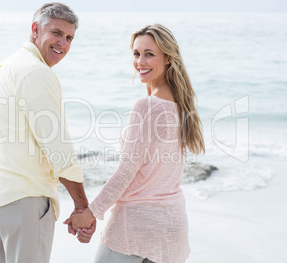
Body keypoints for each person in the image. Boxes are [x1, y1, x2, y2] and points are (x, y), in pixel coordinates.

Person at [64, 24, 205, 263]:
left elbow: (126, 172)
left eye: (149, 54)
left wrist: (91, 213)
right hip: (173, 229)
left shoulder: (148, 106)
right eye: (136, 53)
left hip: (136, 228)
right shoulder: (182, 107)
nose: (140, 61)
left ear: (168, 58)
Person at [0, 2, 95, 263]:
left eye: (69, 37)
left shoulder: (7, 67)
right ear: (35, 30)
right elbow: (58, 148)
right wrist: (82, 206)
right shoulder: (35, 72)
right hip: (22, 202)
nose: (63, 43)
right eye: (56, 33)